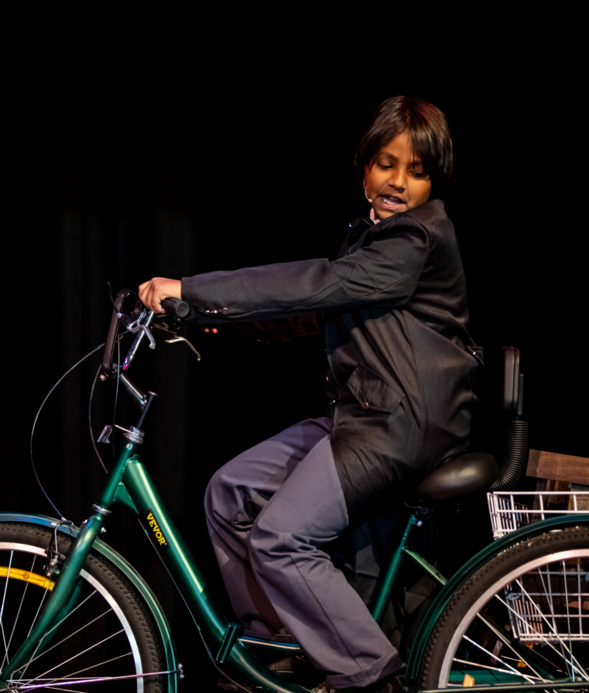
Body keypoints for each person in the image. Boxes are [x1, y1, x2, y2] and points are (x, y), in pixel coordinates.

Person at [139, 96, 476, 693]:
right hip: (364, 414)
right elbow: (309, 315)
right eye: (385, 164)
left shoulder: (418, 238)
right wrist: (199, 314)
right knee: (231, 494)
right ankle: (286, 646)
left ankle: (371, 678)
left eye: (416, 171)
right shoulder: (373, 237)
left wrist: (192, 287)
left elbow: (321, 284)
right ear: (363, 166)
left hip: (402, 423)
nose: (397, 182)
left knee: (280, 537)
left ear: (433, 184)